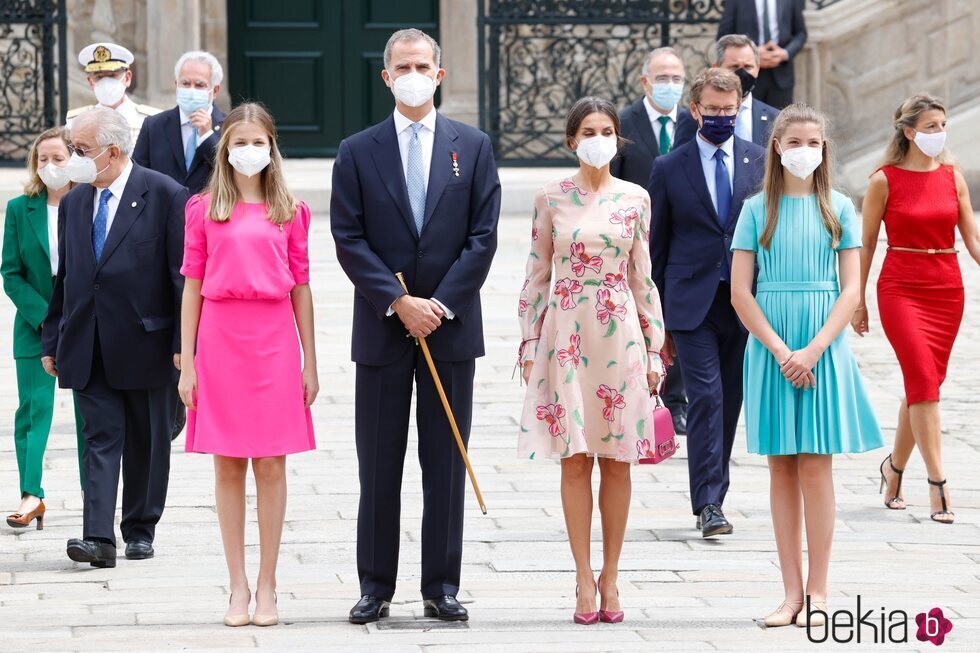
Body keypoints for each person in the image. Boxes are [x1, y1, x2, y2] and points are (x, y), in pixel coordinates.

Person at [331, 28, 500, 625]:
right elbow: (347, 238)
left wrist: (440, 305)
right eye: (401, 65)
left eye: (422, 64)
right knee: (378, 463)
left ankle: (441, 585)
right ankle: (375, 585)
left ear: (439, 73)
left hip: (450, 331)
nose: (412, 72)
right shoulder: (357, 150)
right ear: (386, 77)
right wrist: (398, 302)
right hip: (383, 329)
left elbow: (482, 239)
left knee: (445, 461)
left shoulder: (473, 146)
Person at [730, 104, 883, 628]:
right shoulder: (756, 211)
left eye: (812, 142)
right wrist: (779, 350)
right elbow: (739, 292)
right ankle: (789, 592)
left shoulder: (839, 207)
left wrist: (813, 349)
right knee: (781, 467)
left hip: (824, 346)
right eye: (794, 141)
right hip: (771, 348)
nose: (804, 150)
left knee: (817, 464)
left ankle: (819, 589)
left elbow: (852, 290)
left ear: (824, 148)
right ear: (777, 147)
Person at [518, 96, 666, 625]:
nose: (597, 138)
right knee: (575, 459)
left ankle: (612, 574)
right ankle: (582, 577)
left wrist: (654, 346)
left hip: (620, 332)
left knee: (620, 459)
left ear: (617, 138)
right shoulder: (549, 196)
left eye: (606, 130)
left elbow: (643, 276)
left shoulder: (636, 198)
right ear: (571, 139)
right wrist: (529, 340)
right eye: (587, 130)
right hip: (567, 333)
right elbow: (537, 272)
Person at [178, 102, 317, 627]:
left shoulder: (291, 211)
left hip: (275, 337)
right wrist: (187, 362)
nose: (249, 151)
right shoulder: (203, 208)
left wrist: (310, 361)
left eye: (259, 142)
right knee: (228, 462)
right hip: (220, 337)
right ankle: (236, 585)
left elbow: (302, 287)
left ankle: (268, 585)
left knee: (273, 463)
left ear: (271, 147)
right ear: (225, 148)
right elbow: (191, 285)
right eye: (240, 141)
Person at [41, 108, 187, 568]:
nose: (73, 161)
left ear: (113, 152)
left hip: (149, 343)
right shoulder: (75, 203)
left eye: (80, 151)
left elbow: (182, 280)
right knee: (100, 438)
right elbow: (67, 279)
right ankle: (98, 537)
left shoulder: (165, 195)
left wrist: (187, 345)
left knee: (147, 441)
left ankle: (140, 527)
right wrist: (52, 338)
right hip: (88, 343)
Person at [852, 94, 980, 525]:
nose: (939, 133)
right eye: (930, 126)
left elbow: (974, 241)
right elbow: (866, 244)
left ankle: (894, 470)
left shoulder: (952, 177)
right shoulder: (883, 180)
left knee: (921, 387)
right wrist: (857, 300)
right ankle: (938, 484)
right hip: (900, 288)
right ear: (908, 131)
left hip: (947, 288)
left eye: (942, 125)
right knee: (925, 382)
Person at [648, 68, 765, 538]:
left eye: (728, 110)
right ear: (695, 110)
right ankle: (708, 503)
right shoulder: (669, 167)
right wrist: (659, 322)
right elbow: (658, 247)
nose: (720, 117)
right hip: (690, 301)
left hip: (743, 302)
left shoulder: (759, 161)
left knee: (731, 401)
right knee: (706, 398)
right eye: (712, 110)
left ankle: (718, 492)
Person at [133, 49, 227, 441]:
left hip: (212, 240)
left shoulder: (230, 127)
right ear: (175, 85)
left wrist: (208, 137)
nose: (191, 91)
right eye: (186, 84)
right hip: (163, 239)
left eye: (200, 85)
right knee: (169, 314)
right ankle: (170, 405)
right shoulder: (155, 126)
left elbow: (235, 171)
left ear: (214, 89)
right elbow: (137, 177)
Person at [2, 128, 85, 529]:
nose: (49, 166)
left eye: (58, 158)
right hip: (35, 322)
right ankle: (31, 494)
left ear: (74, 160)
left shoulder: (89, 202)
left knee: (91, 412)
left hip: (85, 321)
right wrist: (43, 316)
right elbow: (10, 273)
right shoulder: (21, 209)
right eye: (42, 159)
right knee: (34, 410)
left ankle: (94, 494)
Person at [611, 46, 694, 436]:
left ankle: (674, 401)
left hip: (680, 239)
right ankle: (633, 392)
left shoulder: (694, 123)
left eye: (677, 78)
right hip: (634, 240)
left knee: (674, 318)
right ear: (644, 81)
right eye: (662, 78)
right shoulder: (622, 124)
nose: (670, 86)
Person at [674, 35, 779, 149]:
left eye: (748, 66)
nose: (742, 73)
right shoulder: (693, 116)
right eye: (734, 67)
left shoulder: (774, 118)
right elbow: (681, 161)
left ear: (758, 68)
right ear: (716, 68)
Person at [66, 43, 161, 147]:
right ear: (91, 82)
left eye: (112, 76)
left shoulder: (150, 121)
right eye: (99, 77)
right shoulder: (75, 122)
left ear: (127, 78)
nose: (106, 83)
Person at [717, 0, 807, 109]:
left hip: (781, 75)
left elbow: (801, 33)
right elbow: (724, 35)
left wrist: (785, 53)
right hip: (747, 75)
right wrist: (752, 53)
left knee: (781, 121)